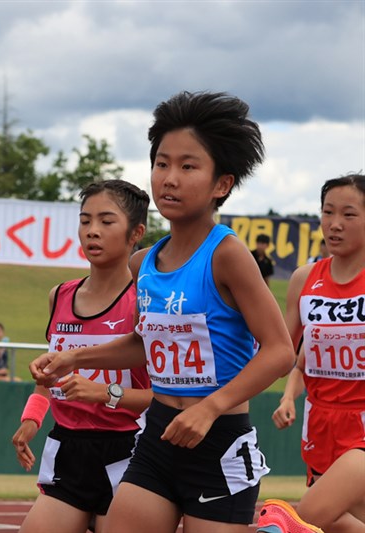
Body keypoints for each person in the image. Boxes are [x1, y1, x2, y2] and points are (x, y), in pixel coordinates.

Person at [29, 91, 297, 533]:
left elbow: (279, 351)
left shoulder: (227, 255)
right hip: (157, 438)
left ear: (221, 184)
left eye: (188, 166)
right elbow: (143, 343)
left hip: (218, 443)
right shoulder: (144, 263)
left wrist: (210, 408)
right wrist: (74, 358)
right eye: (161, 163)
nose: (169, 178)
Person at [11, 180, 153, 533]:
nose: (92, 231)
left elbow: (164, 398)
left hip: (130, 453)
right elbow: (49, 382)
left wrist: (104, 394)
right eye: (85, 220)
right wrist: (31, 420)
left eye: (106, 221)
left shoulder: (144, 301)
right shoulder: (58, 296)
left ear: (136, 232)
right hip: (69, 450)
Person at [259, 174, 365, 533]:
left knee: (301, 518)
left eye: (349, 214)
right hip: (321, 420)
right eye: (327, 212)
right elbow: (287, 353)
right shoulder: (304, 280)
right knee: (338, 524)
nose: (334, 224)